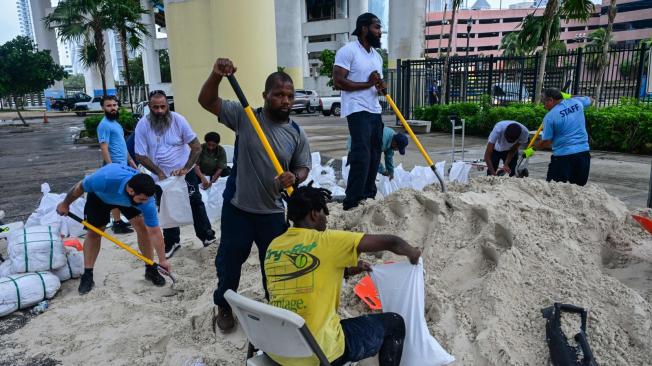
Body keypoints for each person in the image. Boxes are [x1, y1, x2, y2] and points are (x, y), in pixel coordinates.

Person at [198, 58, 312, 332]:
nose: (285, 100)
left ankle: (274, 307)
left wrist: (294, 177)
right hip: (238, 206)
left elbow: (303, 166)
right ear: (265, 96)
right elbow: (206, 100)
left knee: (273, 265)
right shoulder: (246, 116)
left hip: (272, 211)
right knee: (230, 260)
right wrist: (215, 75)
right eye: (279, 95)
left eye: (289, 95)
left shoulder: (296, 133)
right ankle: (224, 303)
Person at [264, 183, 421, 366]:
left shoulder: (275, 246)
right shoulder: (326, 241)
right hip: (317, 352)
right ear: (314, 214)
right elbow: (392, 242)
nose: (326, 220)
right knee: (394, 323)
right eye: (325, 213)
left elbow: (300, 273)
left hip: (280, 349)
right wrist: (413, 253)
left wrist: (347, 271)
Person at [55, 164, 171, 295]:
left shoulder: (146, 201)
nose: (145, 202)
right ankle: (88, 275)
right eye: (143, 199)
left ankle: (150, 269)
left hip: (129, 200)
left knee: (142, 226)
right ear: (131, 191)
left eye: (147, 199)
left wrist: (162, 260)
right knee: (94, 233)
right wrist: (65, 204)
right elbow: (80, 187)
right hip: (101, 196)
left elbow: (155, 232)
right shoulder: (104, 179)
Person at [134, 90, 217, 258]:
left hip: (183, 172)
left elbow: (196, 147)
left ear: (168, 106)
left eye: (162, 106)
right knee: (166, 208)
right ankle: (172, 241)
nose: (159, 111)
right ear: (149, 107)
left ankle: (207, 235)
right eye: (155, 107)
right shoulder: (143, 124)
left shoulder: (179, 120)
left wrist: (186, 168)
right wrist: (159, 172)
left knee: (195, 202)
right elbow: (140, 155)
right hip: (160, 177)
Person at [333, 12, 386, 210]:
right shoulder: (348, 51)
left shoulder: (377, 56)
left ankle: (368, 195)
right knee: (361, 155)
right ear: (364, 29)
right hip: (357, 110)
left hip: (374, 110)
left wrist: (380, 86)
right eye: (377, 27)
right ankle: (352, 201)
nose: (380, 32)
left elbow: (375, 84)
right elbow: (338, 81)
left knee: (374, 155)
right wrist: (367, 84)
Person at [97, 95, 138, 234]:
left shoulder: (116, 124)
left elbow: (122, 146)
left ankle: (119, 221)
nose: (113, 108)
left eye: (114, 105)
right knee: (116, 193)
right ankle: (117, 222)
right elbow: (104, 147)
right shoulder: (104, 125)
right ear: (103, 107)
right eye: (109, 106)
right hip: (113, 165)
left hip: (123, 164)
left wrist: (131, 162)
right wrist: (111, 167)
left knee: (118, 192)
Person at [536, 88, 592, 186]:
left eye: (544, 102)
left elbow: (546, 142)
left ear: (550, 100)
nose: (544, 106)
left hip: (563, 158)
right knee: (578, 189)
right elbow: (591, 100)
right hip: (583, 154)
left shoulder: (550, 117)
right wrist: (570, 96)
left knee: (554, 189)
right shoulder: (577, 102)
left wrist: (535, 147)